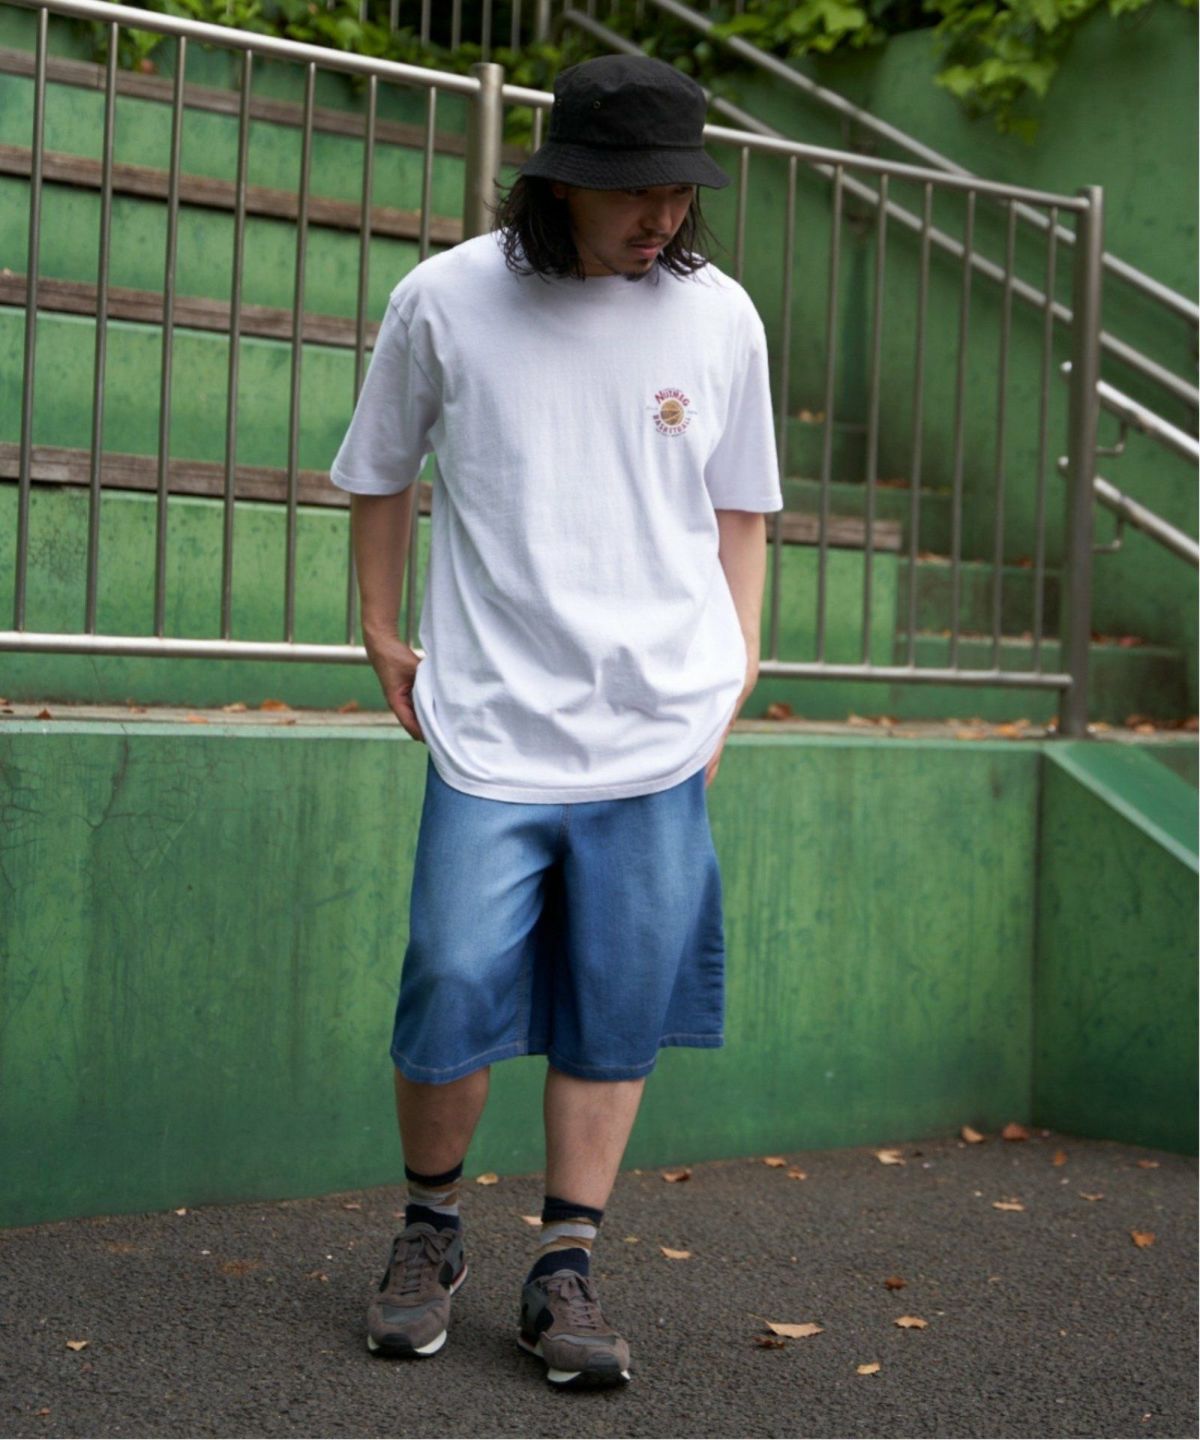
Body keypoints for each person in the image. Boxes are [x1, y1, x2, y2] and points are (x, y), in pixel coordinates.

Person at [329, 52, 782, 1389]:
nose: (662, 215)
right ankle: (429, 1231)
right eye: (634, 190)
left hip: (660, 730)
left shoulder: (720, 317)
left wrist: (737, 667)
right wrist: (378, 627)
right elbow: (378, 470)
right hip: (494, 725)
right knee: (452, 971)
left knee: (618, 999)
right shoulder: (446, 298)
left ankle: (566, 1261)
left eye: (678, 191)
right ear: (561, 183)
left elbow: (743, 510)